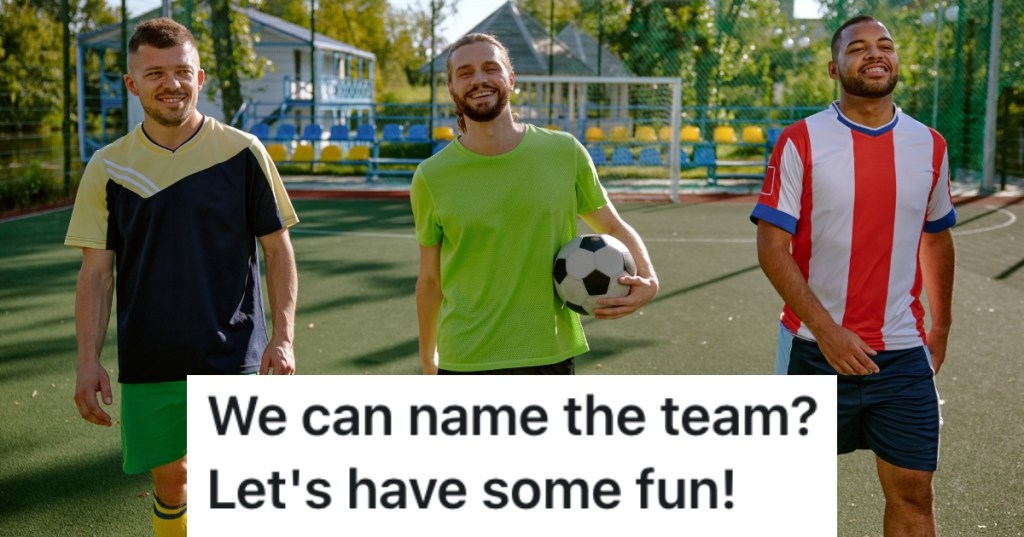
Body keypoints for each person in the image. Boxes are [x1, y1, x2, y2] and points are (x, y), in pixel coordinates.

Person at [65, 17, 298, 537]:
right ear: (133, 84)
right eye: (155, 74)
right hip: (150, 360)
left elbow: (277, 249)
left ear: (200, 77)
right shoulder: (108, 167)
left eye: (182, 71)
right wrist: (87, 361)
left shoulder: (243, 151)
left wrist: (282, 337)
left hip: (235, 356)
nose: (171, 83)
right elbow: (96, 276)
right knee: (173, 483)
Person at [751, 16, 956, 536]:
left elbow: (936, 238)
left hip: (902, 353)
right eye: (858, 47)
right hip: (813, 350)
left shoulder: (930, 145)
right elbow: (772, 247)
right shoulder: (801, 140)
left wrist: (942, 327)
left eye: (884, 45)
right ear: (833, 68)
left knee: (914, 493)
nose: (874, 53)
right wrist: (827, 332)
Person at [411, 33, 658, 375]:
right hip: (465, 357)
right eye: (465, 73)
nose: (479, 79)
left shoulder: (564, 152)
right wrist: (428, 361)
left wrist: (649, 278)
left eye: (490, 68)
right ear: (452, 89)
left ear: (511, 78)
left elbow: (612, 226)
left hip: (549, 353)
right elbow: (430, 280)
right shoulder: (431, 176)